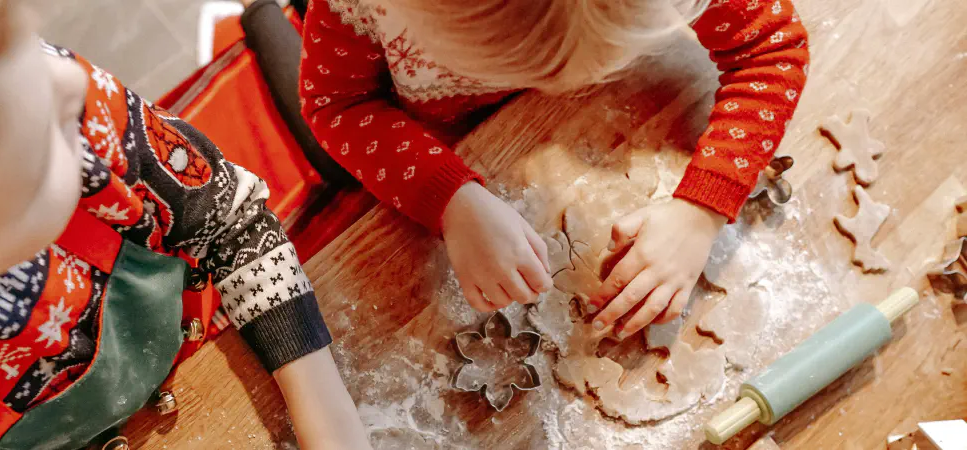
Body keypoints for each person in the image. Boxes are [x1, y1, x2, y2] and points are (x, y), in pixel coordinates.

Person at [0, 1, 370, 448]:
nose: (74, 84)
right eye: (48, 134)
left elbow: (232, 223)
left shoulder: (10, 78)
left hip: (196, 342)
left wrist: (329, 420)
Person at [299, 0, 808, 339]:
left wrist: (703, 208)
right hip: (419, 123)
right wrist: (450, 199)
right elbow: (336, 104)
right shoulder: (362, 9)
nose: (561, 88)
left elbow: (773, 48)